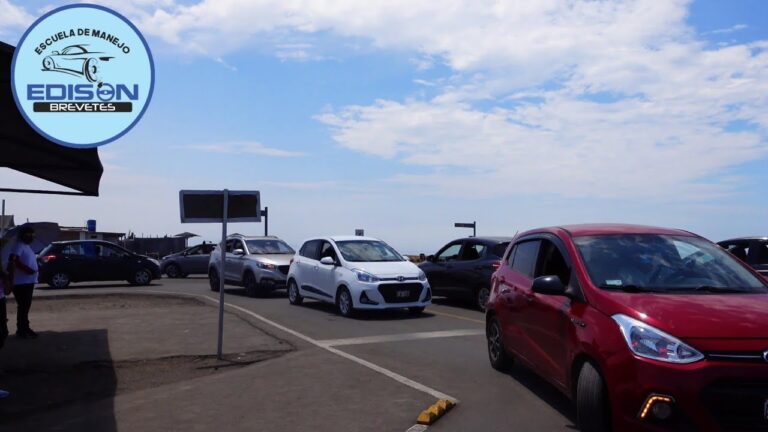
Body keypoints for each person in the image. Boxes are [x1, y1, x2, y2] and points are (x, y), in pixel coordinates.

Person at [10, 225, 38, 339]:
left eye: (32, 235)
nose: (31, 237)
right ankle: (21, 330)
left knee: (25, 307)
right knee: (23, 306)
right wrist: (27, 270)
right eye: (28, 235)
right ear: (22, 236)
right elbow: (14, 260)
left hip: (28, 281)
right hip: (21, 282)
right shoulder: (19, 245)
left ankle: (25, 327)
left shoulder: (27, 246)